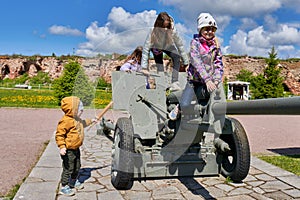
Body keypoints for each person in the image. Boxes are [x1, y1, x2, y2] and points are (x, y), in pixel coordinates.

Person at [169, 12, 224, 120]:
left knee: (211, 101)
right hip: (194, 80)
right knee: (185, 103)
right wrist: (207, 79)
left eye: (212, 29)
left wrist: (216, 80)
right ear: (200, 30)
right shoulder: (195, 43)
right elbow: (196, 62)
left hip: (210, 81)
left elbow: (219, 64)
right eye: (207, 29)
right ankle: (178, 107)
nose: (210, 32)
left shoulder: (215, 46)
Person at [55, 96, 96, 196]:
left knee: (77, 167)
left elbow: (83, 123)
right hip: (68, 150)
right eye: (79, 109)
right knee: (68, 168)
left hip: (76, 148)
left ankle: (72, 182)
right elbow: (59, 134)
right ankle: (64, 186)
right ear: (71, 109)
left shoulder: (77, 119)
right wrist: (62, 146)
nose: (81, 111)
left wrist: (92, 120)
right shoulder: (66, 121)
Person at [141, 12, 189, 91]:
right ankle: (162, 84)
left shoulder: (173, 31)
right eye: (164, 27)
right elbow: (146, 49)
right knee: (159, 64)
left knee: (176, 56)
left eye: (167, 26)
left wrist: (186, 63)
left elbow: (180, 46)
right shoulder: (152, 31)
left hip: (167, 45)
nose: (166, 29)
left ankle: (175, 82)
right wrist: (144, 67)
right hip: (156, 46)